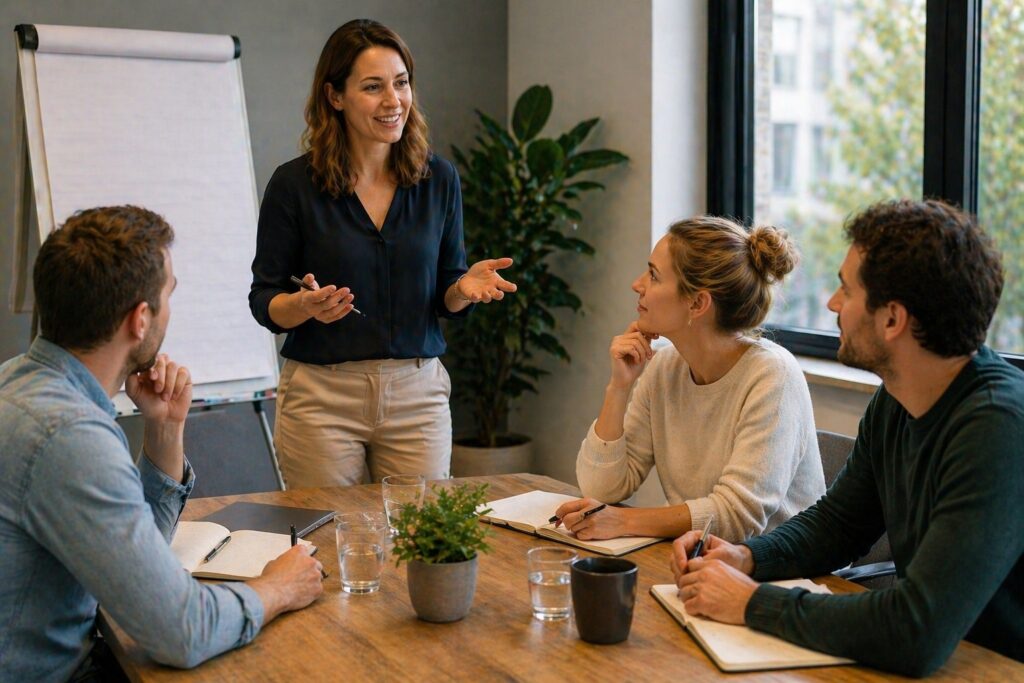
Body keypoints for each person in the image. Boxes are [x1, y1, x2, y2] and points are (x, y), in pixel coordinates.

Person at [671, 199, 1023, 676]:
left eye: (845, 289)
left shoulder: (998, 429)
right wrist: (747, 556)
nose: (833, 303)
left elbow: (917, 628)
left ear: (892, 319)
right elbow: (838, 526)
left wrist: (752, 603)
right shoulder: (899, 397)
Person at [0, 207, 323, 680]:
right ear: (141, 319)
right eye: (170, 294)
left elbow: (131, 555)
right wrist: (277, 588)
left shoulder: (19, 380)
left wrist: (166, 429)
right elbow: (181, 631)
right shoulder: (68, 437)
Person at [249, 19, 516, 488]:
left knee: (421, 546)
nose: (393, 101)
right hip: (322, 399)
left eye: (401, 82)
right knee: (329, 540)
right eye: (373, 87)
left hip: (417, 395)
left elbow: (445, 298)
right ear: (335, 96)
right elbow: (265, 299)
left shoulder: (439, 179)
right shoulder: (293, 186)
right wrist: (303, 306)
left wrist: (463, 289)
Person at [554, 216, 825, 542]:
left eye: (654, 276)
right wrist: (619, 387)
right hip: (702, 563)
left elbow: (737, 518)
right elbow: (603, 488)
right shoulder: (664, 367)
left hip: (781, 578)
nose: (637, 284)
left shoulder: (773, 376)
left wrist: (623, 521)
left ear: (697, 303)